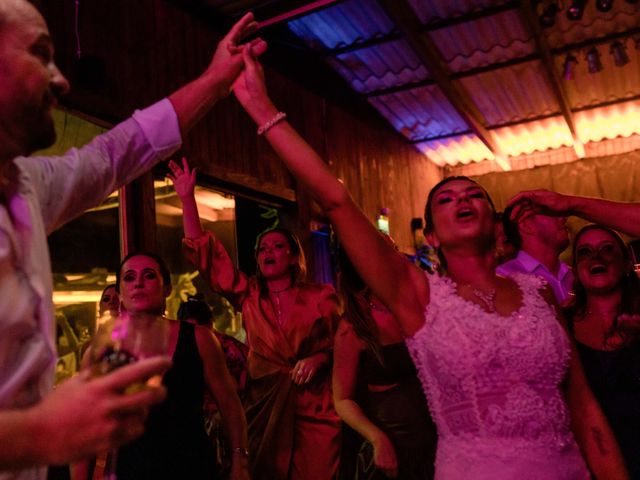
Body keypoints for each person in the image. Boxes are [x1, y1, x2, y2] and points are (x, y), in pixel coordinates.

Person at [229, 48, 629, 478]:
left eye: (474, 194)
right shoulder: (418, 295)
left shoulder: (541, 293)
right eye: (446, 198)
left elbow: (584, 408)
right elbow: (335, 199)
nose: (462, 199)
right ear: (432, 236)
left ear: (495, 225)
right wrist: (262, 108)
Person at [0, 0, 265, 477]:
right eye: (40, 54)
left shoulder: (27, 186)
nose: (60, 80)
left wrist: (215, 80)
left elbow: (118, 152)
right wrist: (42, 431)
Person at [168, 158, 342, 480]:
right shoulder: (249, 295)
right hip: (263, 406)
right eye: (262, 248)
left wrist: (319, 357)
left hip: (314, 409)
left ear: (293, 258)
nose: (267, 252)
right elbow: (207, 258)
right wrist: (187, 198)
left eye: (277, 246)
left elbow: (345, 347)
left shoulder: (322, 296)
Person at [113, 252, 249, 480]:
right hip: (132, 470)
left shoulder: (199, 338)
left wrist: (240, 463)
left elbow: (230, 406)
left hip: (191, 467)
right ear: (120, 294)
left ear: (167, 288)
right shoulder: (107, 349)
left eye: (149, 276)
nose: (138, 282)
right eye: (129, 277)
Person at [333, 248, 436, 479]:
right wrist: (377, 439)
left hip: (439, 436)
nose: (397, 254)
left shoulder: (422, 302)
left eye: (394, 248)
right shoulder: (353, 327)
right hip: (398, 446)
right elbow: (342, 399)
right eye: (388, 249)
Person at [564, 225, 640, 478]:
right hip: (589, 462)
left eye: (607, 249)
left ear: (628, 262)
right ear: (575, 270)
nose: (596, 257)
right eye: (585, 252)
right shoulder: (560, 325)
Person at [497, 205, 572, 304]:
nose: (563, 218)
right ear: (526, 225)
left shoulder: (577, 275)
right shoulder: (503, 277)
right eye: (552, 213)